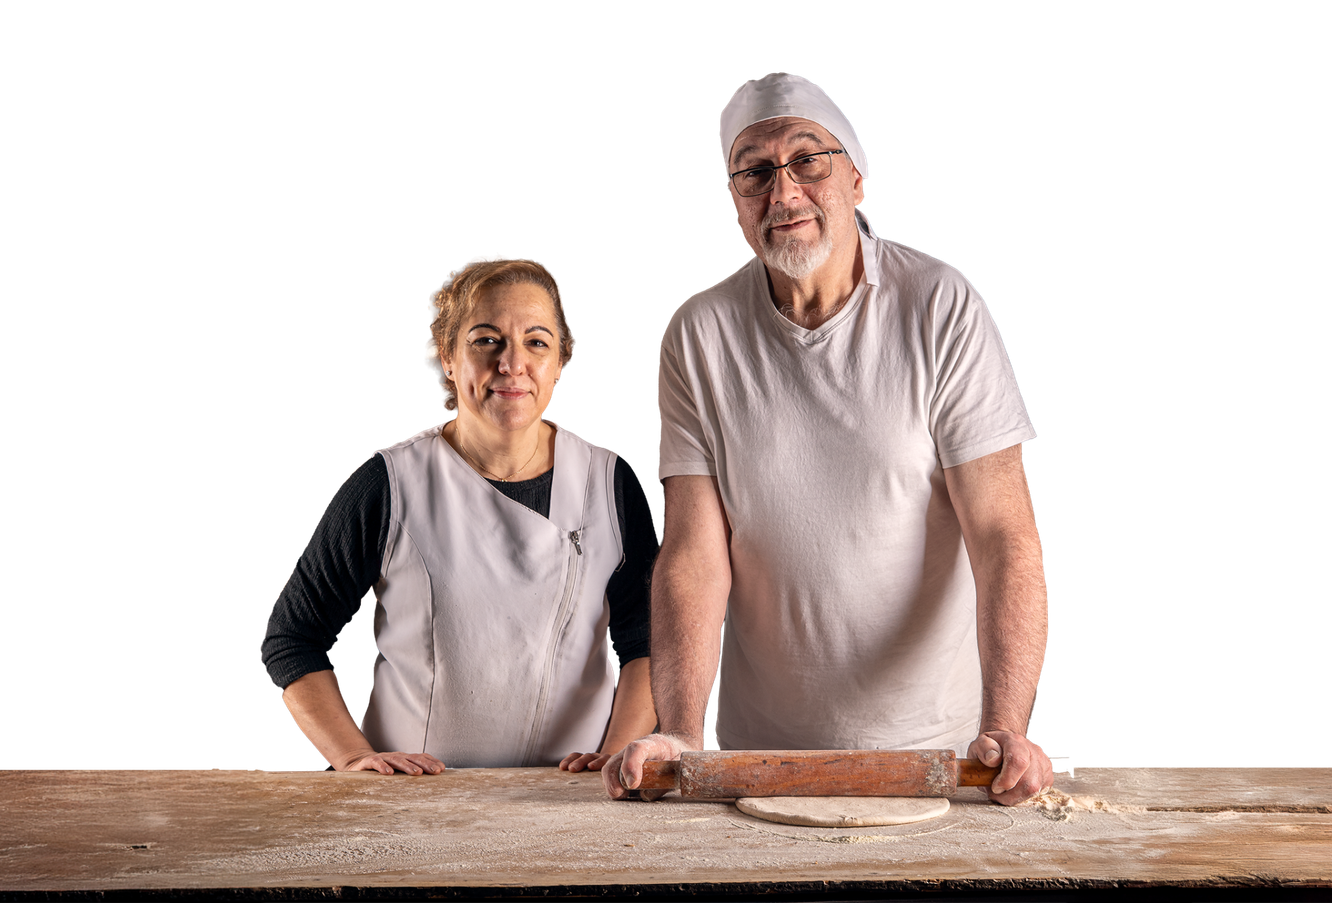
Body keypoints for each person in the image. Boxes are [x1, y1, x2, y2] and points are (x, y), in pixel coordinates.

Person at [603, 73, 1053, 806]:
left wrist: (1005, 728)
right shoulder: (699, 333)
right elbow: (693, 554)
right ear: (735, 199)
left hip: (938, 756)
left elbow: (1003, 536)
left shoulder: (941, 306)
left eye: (807, 159)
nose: (783, 193)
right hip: (758, 759)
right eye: (754, 172)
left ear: (857, 178)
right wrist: (681, 732)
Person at [262, 256, 659, 774]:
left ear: (561, 361)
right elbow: (293, 638)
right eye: (486, 340)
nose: (511, 364)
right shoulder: (391, 483)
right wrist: (354, 757)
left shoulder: (608, 483)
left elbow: (649, 642)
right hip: (415, 797)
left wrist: (615, 759)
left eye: (537, 342)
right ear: (447, 357)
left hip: (571, 796)